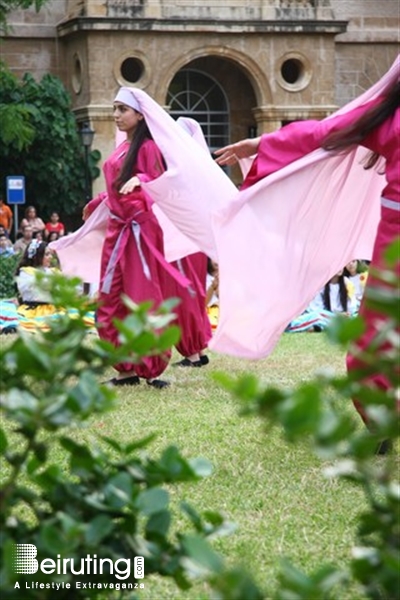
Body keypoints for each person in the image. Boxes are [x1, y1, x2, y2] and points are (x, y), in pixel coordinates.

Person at [215, 61, 399, 430]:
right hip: (395, 240)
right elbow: (325, 132)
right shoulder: (388, 116)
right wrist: (263, 144)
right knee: (373, 344)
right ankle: (384, 420)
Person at [82, 88, 186, 388]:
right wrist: (98, 201)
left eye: (121, 110)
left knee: (143, 298)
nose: (116, 115)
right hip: (118, 231)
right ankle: (124, 368)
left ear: (140, 115)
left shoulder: (148, 148)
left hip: (140, 231)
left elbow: (162, 182)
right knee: (110, 297)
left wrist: (141, 179)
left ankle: (150, 367)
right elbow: (117, 186)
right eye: (114, 109)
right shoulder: (121, 149)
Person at [286, 269, 357, 333]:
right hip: (329, 316)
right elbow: (317, 307)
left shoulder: (347, 283)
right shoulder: (323, 284)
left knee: (319, 316)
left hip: (344, 319)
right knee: (318, 315)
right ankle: (318, 327)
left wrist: (345, 314)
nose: (340, 268)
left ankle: (291, 326)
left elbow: (352, 307)